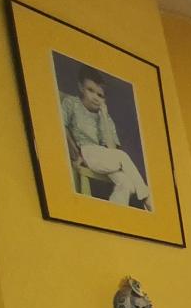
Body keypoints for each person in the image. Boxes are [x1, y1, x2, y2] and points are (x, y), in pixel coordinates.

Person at [60, 66, 152, 210]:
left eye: (100, 95)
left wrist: (103, 115)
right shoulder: (71, 103)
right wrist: (76, 154)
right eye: (90, 90)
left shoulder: (105, 117)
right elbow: (62, 126)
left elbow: (111, 149)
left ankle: (115, 213)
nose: (95, 97)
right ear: (81, 87)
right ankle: (147, 198)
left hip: (103, 157)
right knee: (122, 156)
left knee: (127, 184)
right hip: (86, 152)